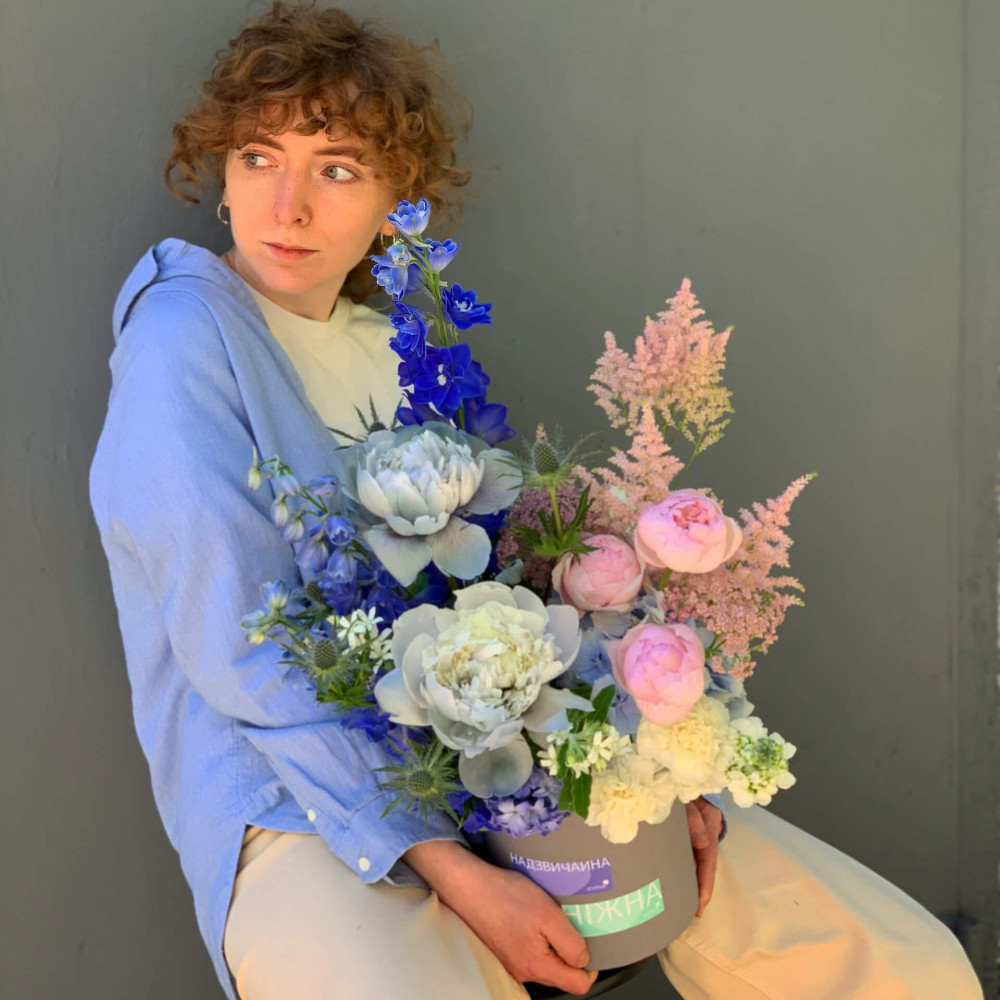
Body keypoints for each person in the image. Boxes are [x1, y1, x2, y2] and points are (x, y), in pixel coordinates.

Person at [88, 3, 984, 999]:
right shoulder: (183, 336)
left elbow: (509, 593)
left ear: (396, 201)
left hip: (510, 773)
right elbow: (240, 648)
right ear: (220, 170)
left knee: (901, 967)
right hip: (303, 813)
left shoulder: (395, 350)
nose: (287, 205)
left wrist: (664, 762)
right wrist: (458, 872)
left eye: (337, 169)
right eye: (259, 158)